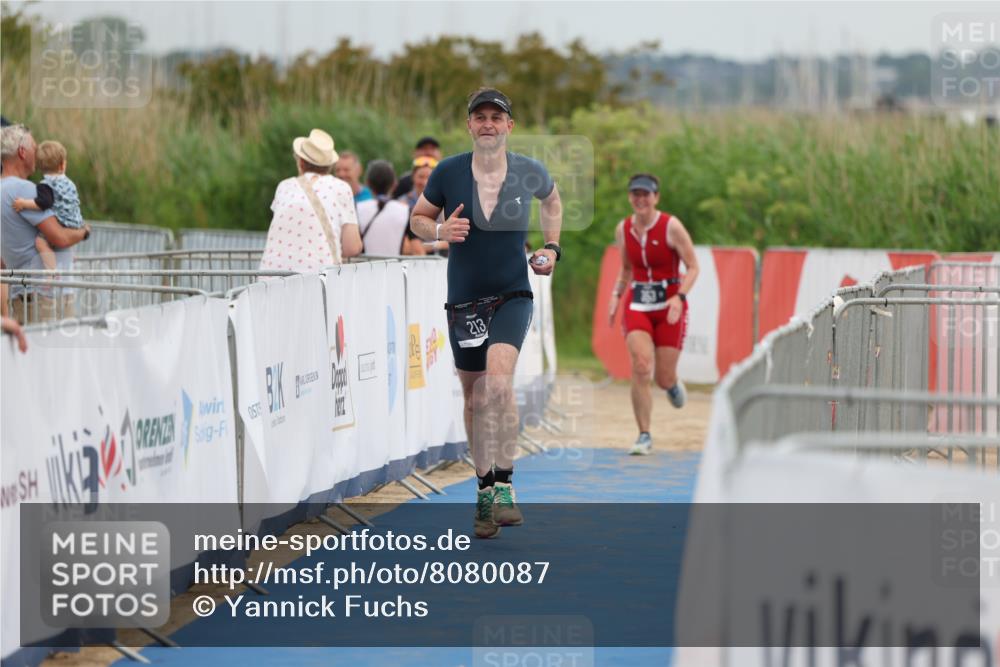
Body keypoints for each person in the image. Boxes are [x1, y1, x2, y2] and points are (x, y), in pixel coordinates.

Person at [409, 87, 562, 539]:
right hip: (464, 301)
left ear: (509, 126)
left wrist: (552, 247)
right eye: (481, 117)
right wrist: (439, 230)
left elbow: (552, 202)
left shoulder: (529, 171)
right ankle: (482, 490)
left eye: (497, 116)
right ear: (469, 124)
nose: (489, 123)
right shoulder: (448, 171)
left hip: (512, 293)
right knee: (475, 398)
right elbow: (418, 220)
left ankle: (506, 484)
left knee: (498, 382)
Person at [607, 174, 699, 456]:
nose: (640, 199)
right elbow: (625, 268)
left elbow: (693, 266)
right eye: (635, 194)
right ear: (630, 197)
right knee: (641, 365)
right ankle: (644, 434)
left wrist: (679, 297)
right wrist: (616, 295)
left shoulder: (671, 226)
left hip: (669, 303)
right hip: (638, 304)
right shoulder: (623, 229)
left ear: (656, 197)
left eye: (646, 194)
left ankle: (670, 384)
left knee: (662, 377)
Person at [1, 124, 90, 324]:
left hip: (20, 295)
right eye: (34, 145)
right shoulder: (24, 190)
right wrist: (84, 232)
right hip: (47, 296)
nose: (38, 149)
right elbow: (60, 237)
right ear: (22, 152)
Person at [259, 129, 362, 273]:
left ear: (300, 162)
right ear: (330, 165)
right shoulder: (341, 188)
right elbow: (352, 247)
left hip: (270, 279)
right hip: (317, 280)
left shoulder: (284, 186)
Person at [13, 140, 86, 272]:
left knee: (40, 243)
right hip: (75, 222)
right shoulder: (69, 183)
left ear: (40, 166)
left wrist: (23, 203)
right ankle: (68, 258)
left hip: (61, 223)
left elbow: (43, 203)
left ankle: (51, 271)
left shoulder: (45, 185)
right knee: (62, 245)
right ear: (62, 165)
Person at [356, 160, 411, 256]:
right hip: (394, 268)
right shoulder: (405, 211)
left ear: (367, 183)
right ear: (394, 184)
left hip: (364, 268)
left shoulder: (357, 209)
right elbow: (415, 248)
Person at [398, 155, 447, 256]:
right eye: (420, 177)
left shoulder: (445, 202)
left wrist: (426, 247)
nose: (425, 182)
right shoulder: (402, 203)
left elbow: (450, 240)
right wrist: (435, 245)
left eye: (429, 177)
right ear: (413, 177)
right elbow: (402, 245)